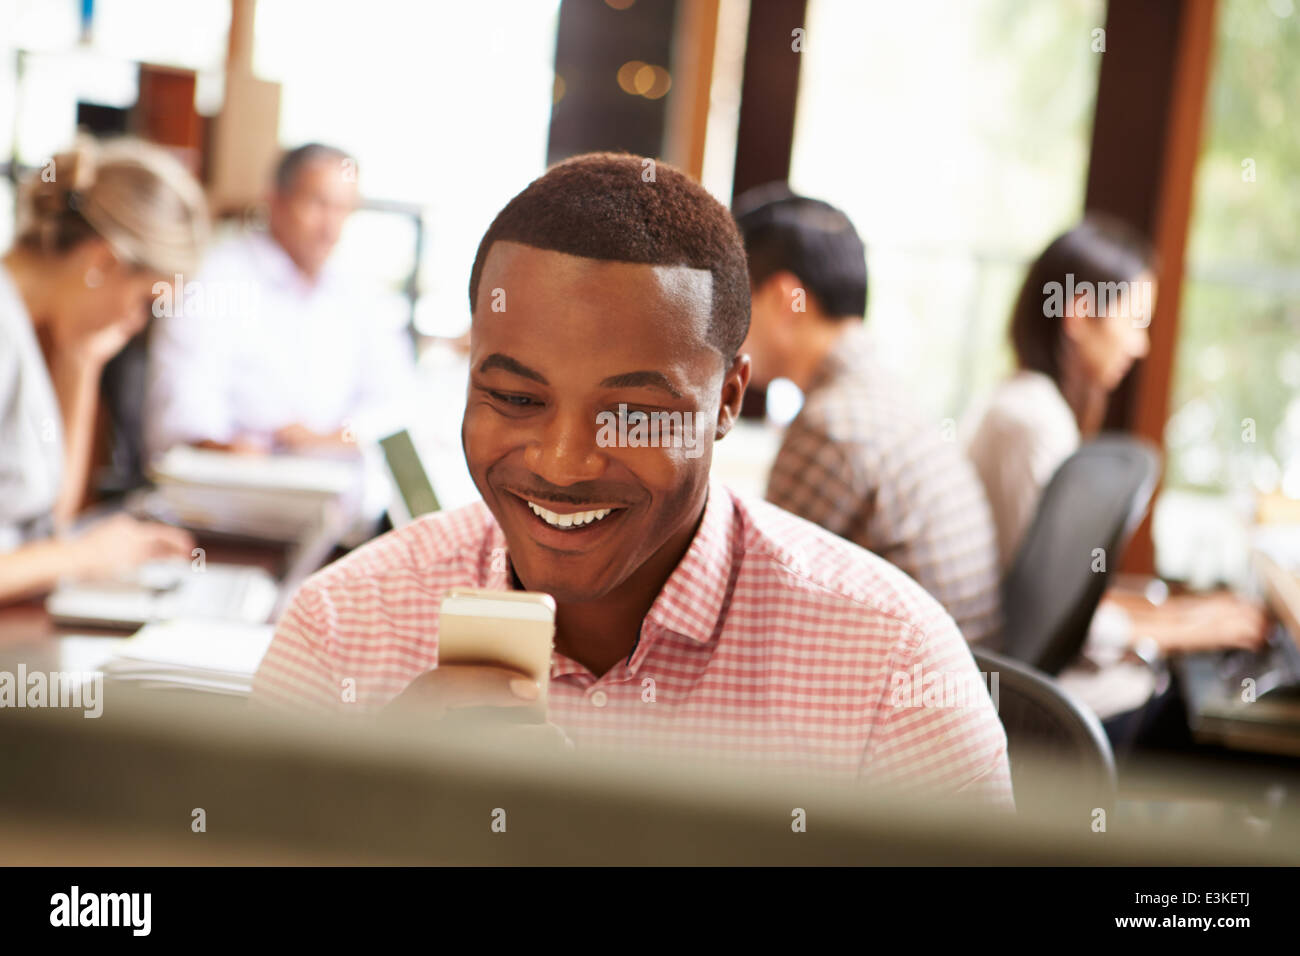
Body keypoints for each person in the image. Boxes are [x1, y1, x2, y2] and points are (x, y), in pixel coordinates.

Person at [253, 153, 1012, 807]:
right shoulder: (340, 634)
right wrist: (356, 810)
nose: (561, 462)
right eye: (516, 399)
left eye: (634, 414)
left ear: (728, 400)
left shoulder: (891, 670)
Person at [964, 215, 1267, 745]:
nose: (1141, 345)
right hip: (1033, 697)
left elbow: (1064, 591)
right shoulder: (1029, 422)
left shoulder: (1033, 407)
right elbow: (1041, 614)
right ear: (1080, 314)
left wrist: (1177, 612)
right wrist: (1180, 630)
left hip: (1040, 676)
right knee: (1201, 723)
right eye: (1135, 321)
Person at [734, 185, 1002, 644]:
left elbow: (751, 605)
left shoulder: (832, 428)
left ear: (784, 298)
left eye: (733, 299)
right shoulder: (882, 395)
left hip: (911, 700)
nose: (723, 324)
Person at [0, 138, 203, 603]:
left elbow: (48, 523)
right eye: (145, 303)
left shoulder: (24, 330)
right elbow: (56, 547)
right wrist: (83, 556)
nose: (134, 326)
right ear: (102, 262)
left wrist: (81, 363)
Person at [144, 143, 413, 459]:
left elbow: (395, 401)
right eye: (318, 204)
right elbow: (183, 409)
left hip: (336, 487)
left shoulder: (358, 289)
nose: (331, 228)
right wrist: (227, 448)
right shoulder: (213, 280)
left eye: (343, 209)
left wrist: (331, 439)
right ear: (274, 201)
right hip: (239, 487)